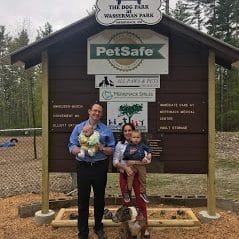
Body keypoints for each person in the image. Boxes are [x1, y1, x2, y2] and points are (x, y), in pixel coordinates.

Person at [68, 103, 115, 239]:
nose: (97, 113)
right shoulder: (78, 128)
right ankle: (83, 231)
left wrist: (100, 148)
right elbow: (71, 145)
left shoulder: (106, 130)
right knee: (83, 200)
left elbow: (111, 149)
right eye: (94, 111)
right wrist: (81, 151)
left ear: (102, 114)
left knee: (99, 199)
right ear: (89, 111)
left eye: (99, 112)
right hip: (83, 166)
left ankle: (98, 227)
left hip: (100, 166)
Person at [113, 123, 151, 238]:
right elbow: (115, 161)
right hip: (125, 176)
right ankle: (127, 228)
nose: (128, 133)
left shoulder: (141, 144)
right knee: (126, 202)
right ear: (123, 133)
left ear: (134, 132)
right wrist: (125, 167)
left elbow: (147, 161)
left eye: (130, 130)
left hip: (137, 175)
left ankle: (144, 227)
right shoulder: (120, 145)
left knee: (141, 201)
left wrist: (133, 163)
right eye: (125, 131)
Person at [123, 129, 151, 204]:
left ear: (140, 138)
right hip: (132, 165)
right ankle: (128, 192)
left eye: (138, 137)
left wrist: (149, 154)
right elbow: (125, 155)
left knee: (143, 177)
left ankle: (143, 192)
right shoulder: (129, 146)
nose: (136, 139)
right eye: (134, 137)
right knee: (130, 177)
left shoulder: (142, 145)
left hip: (141, 165)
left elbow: (148, 149)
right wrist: (130, 153)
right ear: (131, 138)